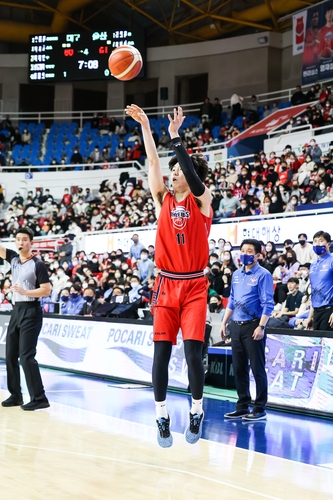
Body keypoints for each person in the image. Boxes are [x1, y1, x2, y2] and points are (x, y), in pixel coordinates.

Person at [126, 103, 212, 447]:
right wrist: (147, 127)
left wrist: (176, 138)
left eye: (178, 171)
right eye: (173, 171)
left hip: (194, 285)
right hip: (165, 284)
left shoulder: (204, 201)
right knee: (161, 354)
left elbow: (192, 174)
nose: (173, 174)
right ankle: (161, 414)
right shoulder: (162, 199)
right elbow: (152, 163)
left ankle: (196, 409)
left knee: (193, 353)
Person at [219, 238, 274, 421]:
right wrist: (224, 322)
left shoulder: (263, 274)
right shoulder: (236, 274)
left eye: (250, 251)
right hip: (236, 326)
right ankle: (242, 405)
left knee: (257, 369)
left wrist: (261, 326)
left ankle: (260, 408)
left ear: (258, 255)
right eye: (243, 250)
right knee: (240, 368)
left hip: (253, 326)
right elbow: (232, 301)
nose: (246, 254)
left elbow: (268, 303)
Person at [0, 227, 51, 410]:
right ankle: (15, 395)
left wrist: (25, 291)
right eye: (18, 239)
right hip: (17, 310)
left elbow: (46, 290)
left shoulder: (38, 264)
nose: (20, 242)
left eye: (24, 239)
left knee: (26, 357)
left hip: (32, 310)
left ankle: (40, 398)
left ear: (31, 243)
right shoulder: (13, 258)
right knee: (11, 355)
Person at [303, 231, 333, 331]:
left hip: (329, 310)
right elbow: (314, 292)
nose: (317, 244)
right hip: (316, 312)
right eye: (315, 241)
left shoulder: (331, 261)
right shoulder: (313, 265)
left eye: (321, 241)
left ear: (328, 244)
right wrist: (310, 317)